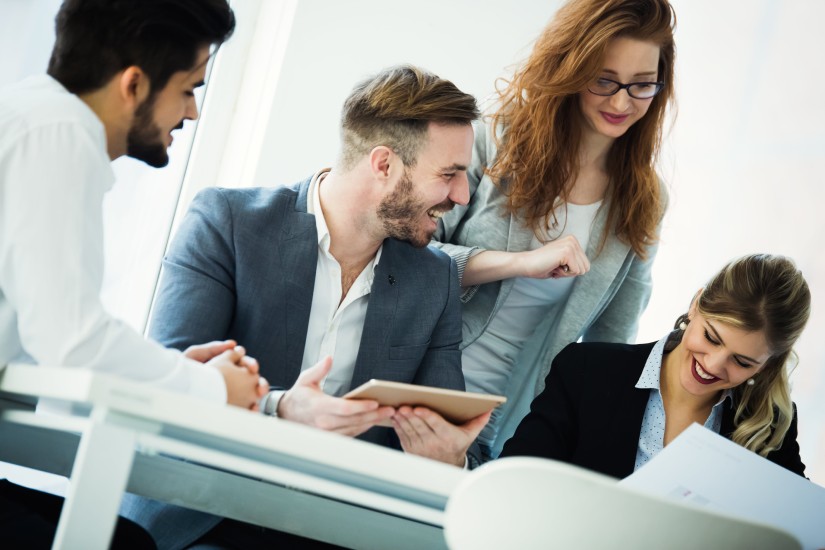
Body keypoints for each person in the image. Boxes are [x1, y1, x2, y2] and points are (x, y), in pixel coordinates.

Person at [122, 64, 489, 548]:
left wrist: (451, 461)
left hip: (333, 531)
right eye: (449, 175)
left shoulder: (434, 277)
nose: (462, 196)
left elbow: (455, 428)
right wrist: (279, 410)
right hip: (200, 516)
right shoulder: (227, 223)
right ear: (383, 165)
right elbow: (170, 385)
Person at [0, 0, 267, 546]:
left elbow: (41, 339)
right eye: (190, 88)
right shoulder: (59, 132)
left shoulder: (35, 118)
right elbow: (72, 341)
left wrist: (162, 373)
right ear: (134, 85)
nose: (192, 114)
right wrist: (208, 386)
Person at [431, 0, 676, 459]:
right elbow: (409, 260)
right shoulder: (492, 141)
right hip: (422, 392)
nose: (622, 102)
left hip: (513, 430)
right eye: (604, 81)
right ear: (570, 65)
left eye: (642, 86)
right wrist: (521, 264)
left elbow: (611, 341)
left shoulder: (644, 199)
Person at [502, 254, 811, 478]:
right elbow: (514, 478)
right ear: (696, 304)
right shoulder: (587, 370)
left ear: (768, 364)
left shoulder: (771, 423)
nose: (713, 365)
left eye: (742, 362)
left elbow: (801, 526)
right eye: (711, 338)